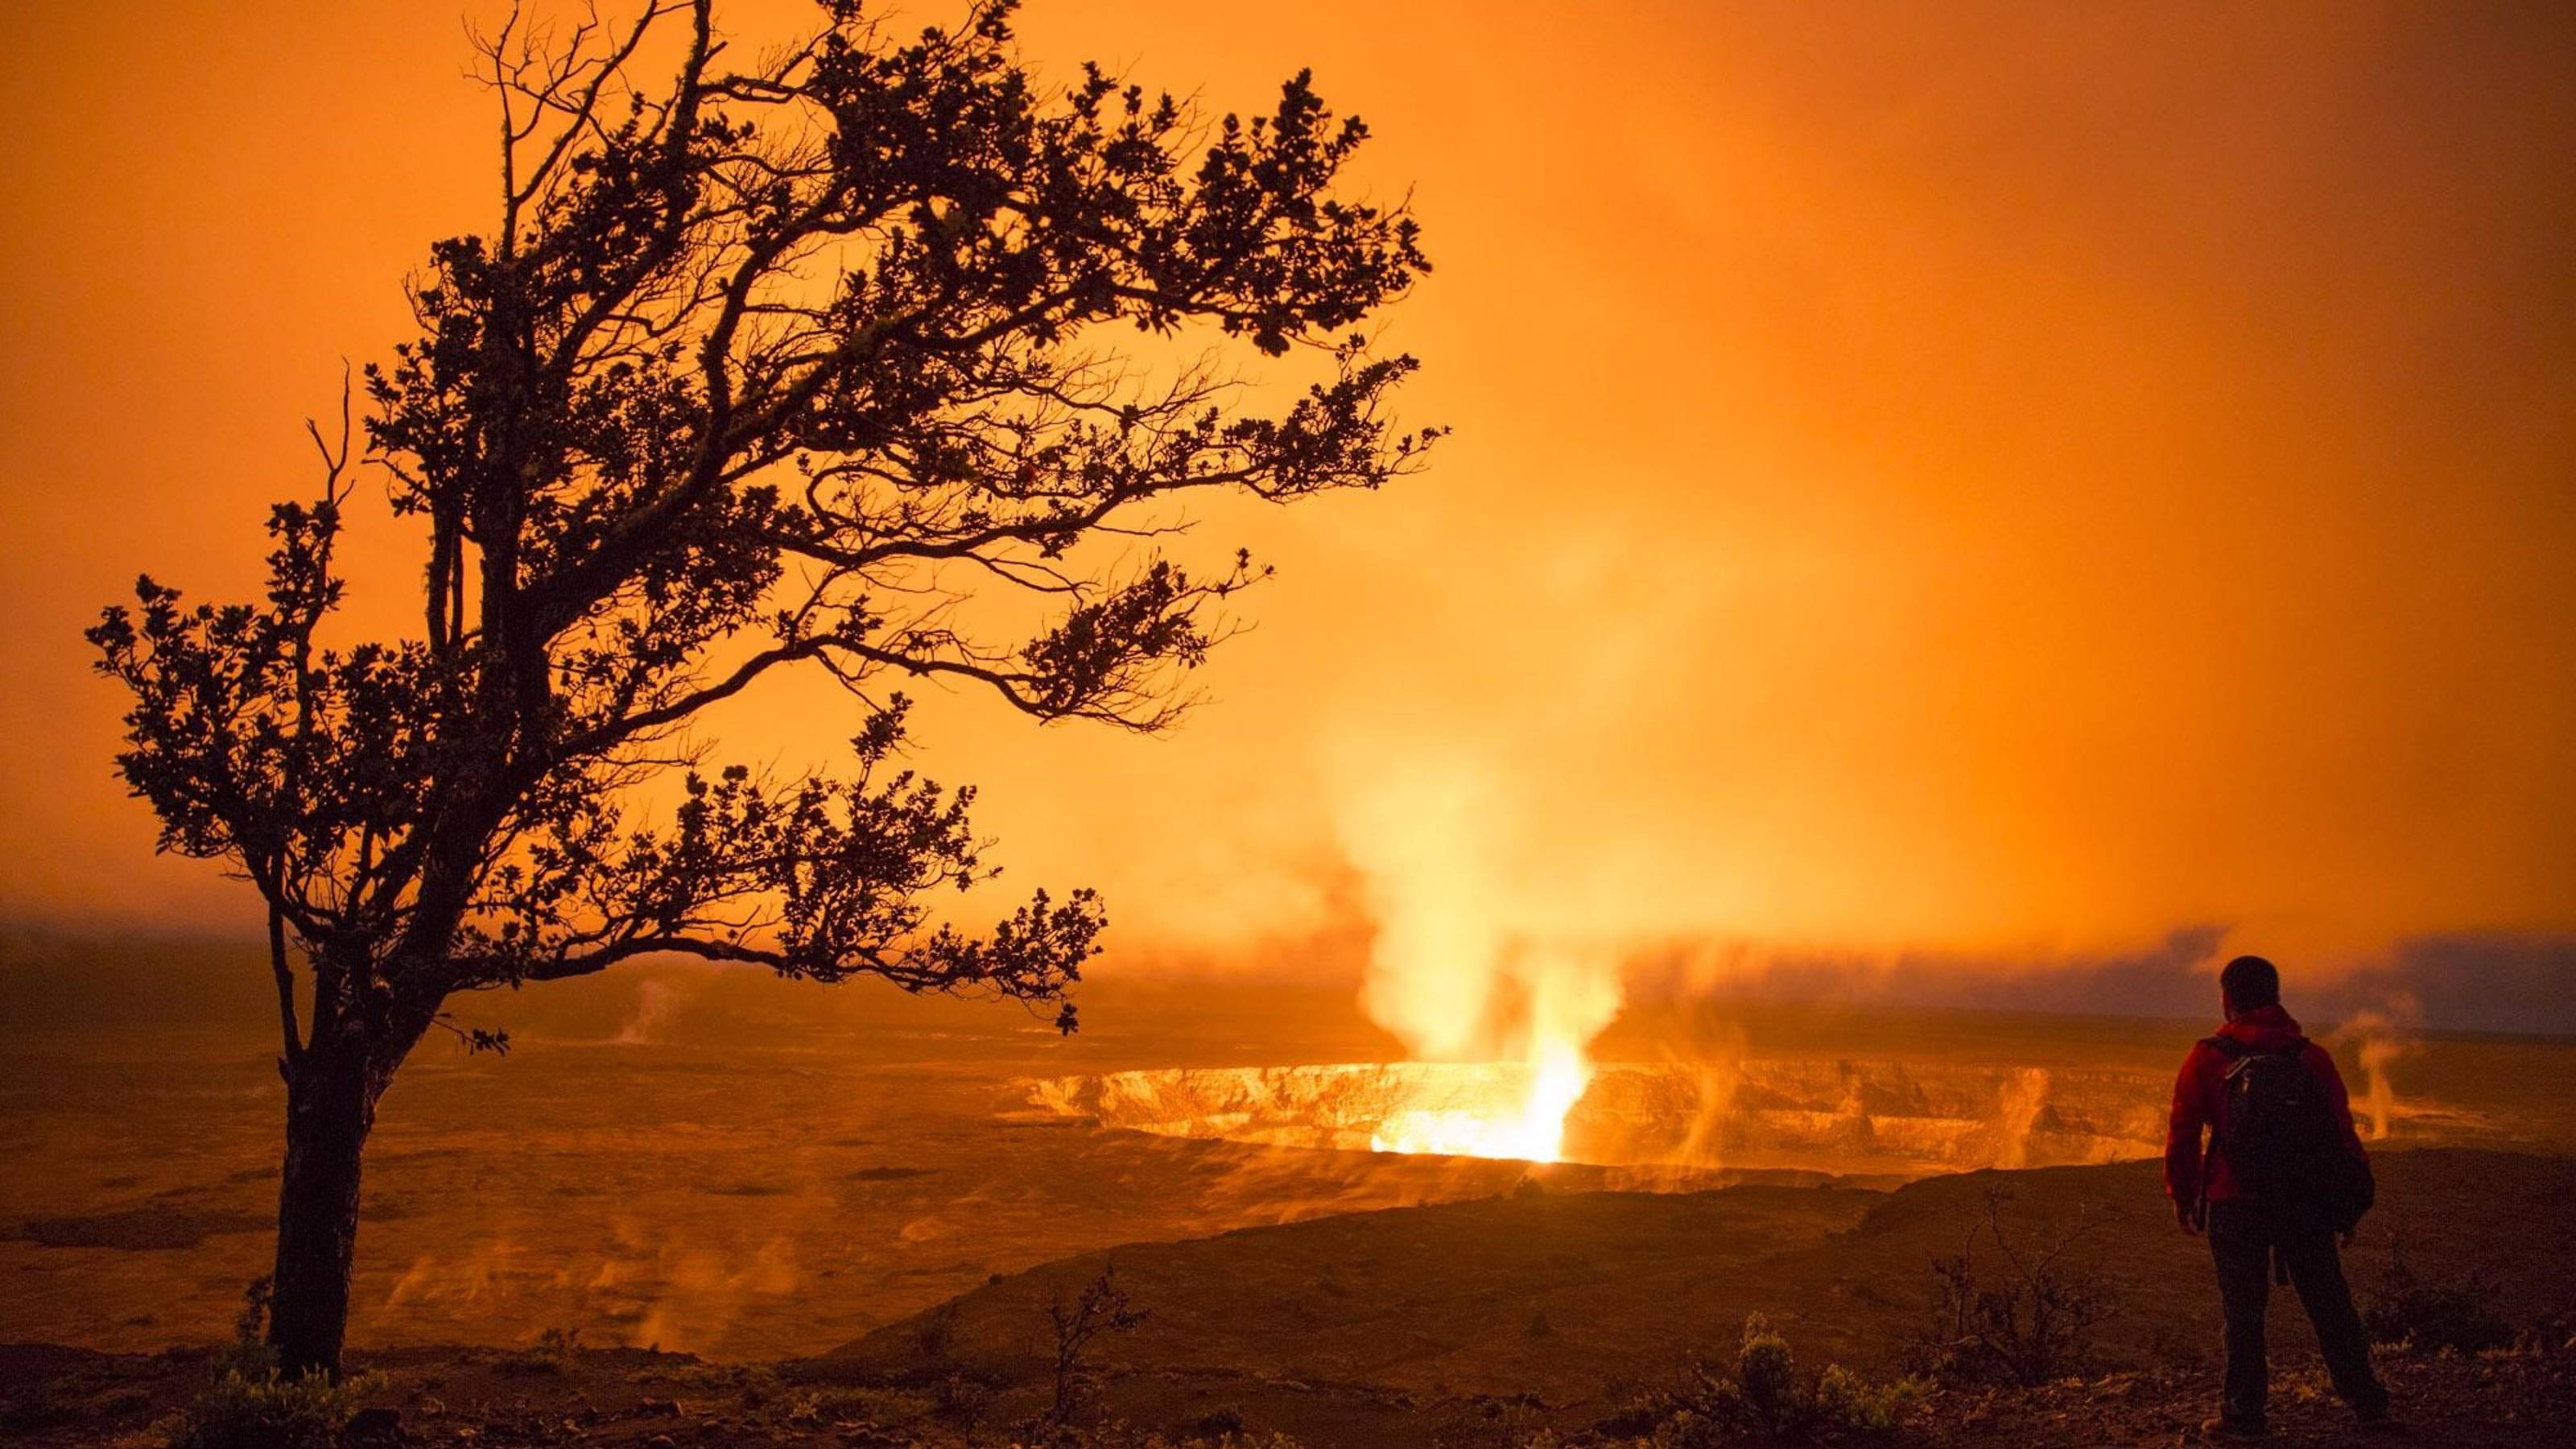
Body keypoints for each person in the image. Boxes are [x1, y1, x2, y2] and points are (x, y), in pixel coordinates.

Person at [2166, 954, 2391, 1439]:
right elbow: (2339, 1137)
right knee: (2329, 1302)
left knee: (2243, 1312)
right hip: (2304, 1201)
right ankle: (2368, 1401)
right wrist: (2347, 1205)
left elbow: (2182, 1133)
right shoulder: (2311, 1058)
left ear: (2227, 999)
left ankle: (2244, 1416)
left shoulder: (2208, 1057)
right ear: (2277, 996)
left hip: (2233, 1200)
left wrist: (2184, 1197)